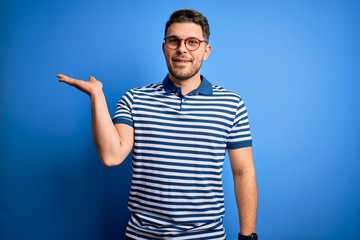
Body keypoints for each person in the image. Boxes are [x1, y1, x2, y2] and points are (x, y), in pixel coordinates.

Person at [57, 9, 258, 240]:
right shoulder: (134, 99)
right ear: (164, 48)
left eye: (192, 42)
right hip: (142, 236)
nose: (182, 49)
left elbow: (244, 172)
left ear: (206, 50)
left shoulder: (231, 104)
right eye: (174, 41)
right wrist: (97, 96)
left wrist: (248, 236)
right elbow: (111, 156)